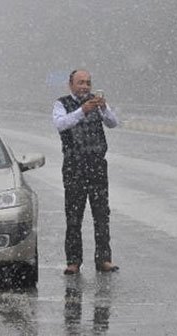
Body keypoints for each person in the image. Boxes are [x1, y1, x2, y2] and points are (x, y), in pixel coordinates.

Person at [52, 69, 120, 274]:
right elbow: (60, 124)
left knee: (101, 214)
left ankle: (104, 259)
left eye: (88, 83)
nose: (84, 86)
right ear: (71, 84)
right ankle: (73, 261)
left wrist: (103, 107)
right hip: (74, 166)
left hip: (97, 165)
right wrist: (82, 110)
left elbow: (113, 123)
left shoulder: (96, 102)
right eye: (80, 82)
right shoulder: (61, 104)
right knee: (74, 215)